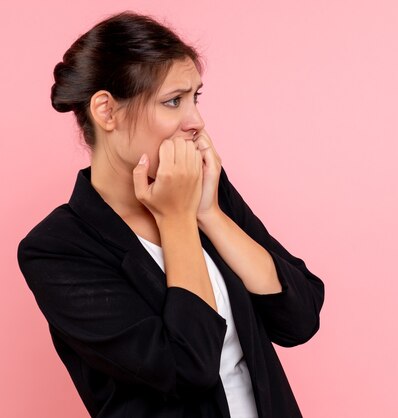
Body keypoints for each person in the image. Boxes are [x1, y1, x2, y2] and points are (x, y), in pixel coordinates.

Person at [16, 11, 324, 418]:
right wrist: (177, 220)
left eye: (195, 98)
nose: (195, 122)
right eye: (173, 101)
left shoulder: (203, 188)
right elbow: (188, 367)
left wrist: (210, 213)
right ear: (106, 111)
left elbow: (299, 318)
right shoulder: (56, 250)